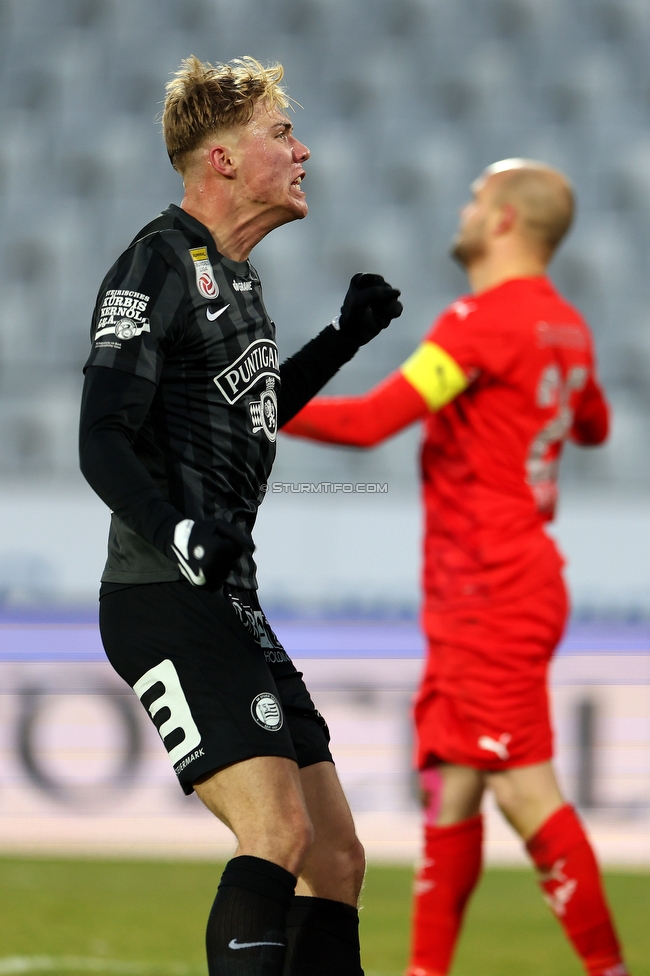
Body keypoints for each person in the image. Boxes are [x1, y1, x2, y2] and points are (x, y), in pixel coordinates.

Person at [79, 56, 403, 976]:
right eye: (280, 135)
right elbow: (101, 434)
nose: (302, 152)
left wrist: (342, 340)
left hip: (232, 600)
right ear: (221, 158)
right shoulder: (155, 261)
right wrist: (176, 531)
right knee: (276, 830)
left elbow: (253, 405)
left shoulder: (240, 282)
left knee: (336, 860)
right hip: (165, 591)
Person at [282, 159, 629, 976]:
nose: (467, 211)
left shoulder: (479, 324)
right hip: (502, 582)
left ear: (505, 220)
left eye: (478, 199)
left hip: (491, 588)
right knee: (452, 789)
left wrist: (259, 402)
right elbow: (595, 425)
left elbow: (372, 422)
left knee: (520, 788)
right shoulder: (567, 327)